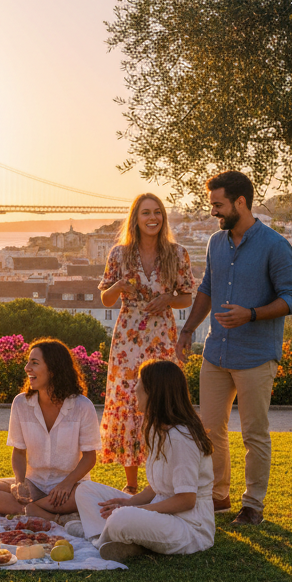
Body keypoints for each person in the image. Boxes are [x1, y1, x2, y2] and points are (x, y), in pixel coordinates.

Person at [175, 170, 292, 526]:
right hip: (217, 352)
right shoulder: (216, 242)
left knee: (253, 434)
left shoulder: (275, 245)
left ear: (240, 202)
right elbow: (206, 289)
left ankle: (253, 505)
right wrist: (187, 330)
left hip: (256, 355)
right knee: (209, 430)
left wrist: (251, 314)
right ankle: (219, 496)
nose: (213, 211)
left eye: (218, 204)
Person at [98, 193, 195, 493]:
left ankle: (160, 482)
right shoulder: (119, 254)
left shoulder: (178, 254)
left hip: (161, 336)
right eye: (146, 213)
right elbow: (106, 299)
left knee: (162, 399)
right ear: (135, 218)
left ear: (163, 217)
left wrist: (168, 299)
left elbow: (186, 297)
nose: (153, 218)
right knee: (129, 400)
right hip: (128, 339)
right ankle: (131, 485)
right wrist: (117, 286)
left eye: (157, 212)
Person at [76, 359, 214, 561]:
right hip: (160, 516)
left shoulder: (181, 438)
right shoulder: (159, 430)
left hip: (188, 527)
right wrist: (128, 501)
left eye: (140, 384)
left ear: (154, 392)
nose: (135, 390)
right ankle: (118, 538)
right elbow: (157, 487)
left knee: (122, 517)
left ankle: (99, 539)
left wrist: (132, 509)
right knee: (85, 490)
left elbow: (186, 500)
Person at [0, 338, 101, 521]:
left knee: (88, 495)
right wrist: (19, 483)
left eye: (34, 363)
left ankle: (27, 509)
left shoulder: (82, 406)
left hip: (70, 488)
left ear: (53, 370)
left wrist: (66, 484)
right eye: (28, 362)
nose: (27, 368)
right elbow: (18, 452)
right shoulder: (21, 403)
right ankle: (46, 514)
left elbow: (89, 457)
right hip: (34, 484)